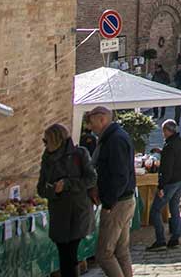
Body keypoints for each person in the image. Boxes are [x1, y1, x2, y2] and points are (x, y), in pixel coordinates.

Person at [36, 123, 96, 277]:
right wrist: (53, 190)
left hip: (77, 212)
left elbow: (91, 179)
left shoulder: (79, 154)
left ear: (57, 139)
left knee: (69, 254)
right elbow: (41, 188)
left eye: (46, 140)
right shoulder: (47, 159)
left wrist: (68, 184)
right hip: (59, 214)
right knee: (64, 254)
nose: (45, 143)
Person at [87, 106, 135, 277]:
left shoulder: (115, 140)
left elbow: (119, 176)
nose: (91, 128)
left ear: (102, 119)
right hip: (123, 200)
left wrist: (108, 202)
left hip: (118, 202)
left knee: (104, 254)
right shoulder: (113, 137)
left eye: (93, 123)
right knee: (121, 251)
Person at [147, 120, 181, 251]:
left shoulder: (170, 146)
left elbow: (167, 168)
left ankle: (160, 240)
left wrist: (161, 186)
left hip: (169, 183)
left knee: (155, 210)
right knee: (174, 208)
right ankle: (176, 237)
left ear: (166, 131)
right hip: (179, 180)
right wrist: (162, 151)